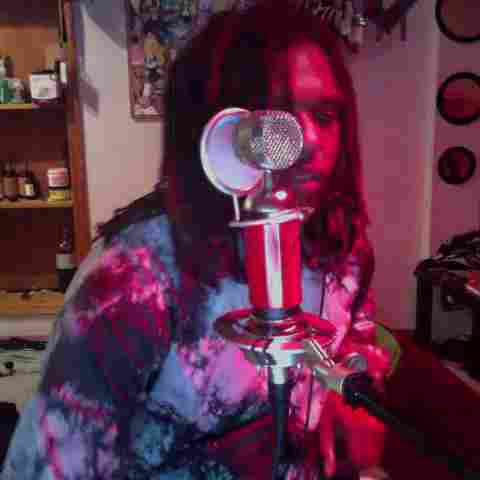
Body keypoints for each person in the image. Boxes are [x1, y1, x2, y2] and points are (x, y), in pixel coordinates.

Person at [1, 1, 393, 478]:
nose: (310, 140)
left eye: (326, 115)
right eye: (279, 116)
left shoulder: (340, 244)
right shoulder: (135, 277)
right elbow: (48, 468)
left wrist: (348, 391)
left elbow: (357, 338)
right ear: (217, 129)